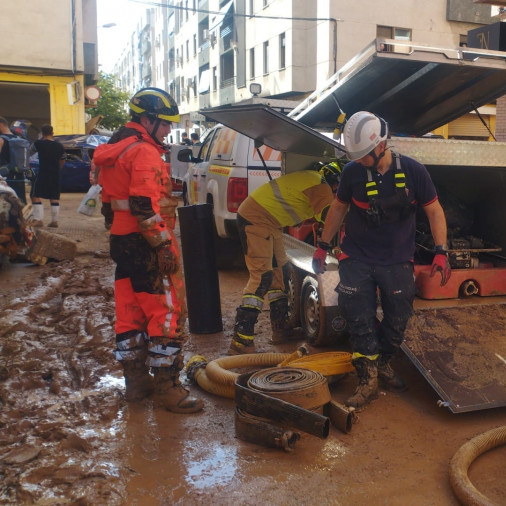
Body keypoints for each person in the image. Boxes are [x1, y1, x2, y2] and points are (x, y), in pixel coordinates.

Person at [312, 111, 450, 409]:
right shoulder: (351, 172)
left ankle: (382, 363)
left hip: (397, 258)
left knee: (398, 319)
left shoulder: (414, 172)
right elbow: (337, 209)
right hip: (357, 256)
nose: (358, 160)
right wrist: (323, 245)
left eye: (363, 155)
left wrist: (441, 250)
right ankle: (367, 380)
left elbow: (435, 211)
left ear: (380, 147)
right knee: (357, 317)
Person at [91, 87, 203, 414]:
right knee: (166, 310)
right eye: (165, 123)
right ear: (147, 119)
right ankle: (168, 388)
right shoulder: (144, 152)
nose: (169, 130)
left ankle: (136, 384)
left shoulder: (113, 150)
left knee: (129, 311)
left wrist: (121, 233)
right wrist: (163, 245)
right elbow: (143, 205)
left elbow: (108, 207)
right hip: (146, 244)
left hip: (122, 243)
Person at [229, 168, 336, 355]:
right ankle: (241, 338)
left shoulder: (313, 180)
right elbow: (329, 216)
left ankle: (280, 330)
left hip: (270, 223)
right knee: (262, 276)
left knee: (281, 271)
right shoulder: (321, 187)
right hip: (256, 219)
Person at [29, 124, 66, 228]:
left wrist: (41, 138)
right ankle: (54, 221)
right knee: (54, 196)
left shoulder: (39, 143)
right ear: (52, 133)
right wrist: (58, 168)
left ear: (42, 133)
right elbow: (63, 159)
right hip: (55, 173)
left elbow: (30, 149)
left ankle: (38, 220)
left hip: (43, 172)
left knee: (34, 195)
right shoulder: (59, 146)